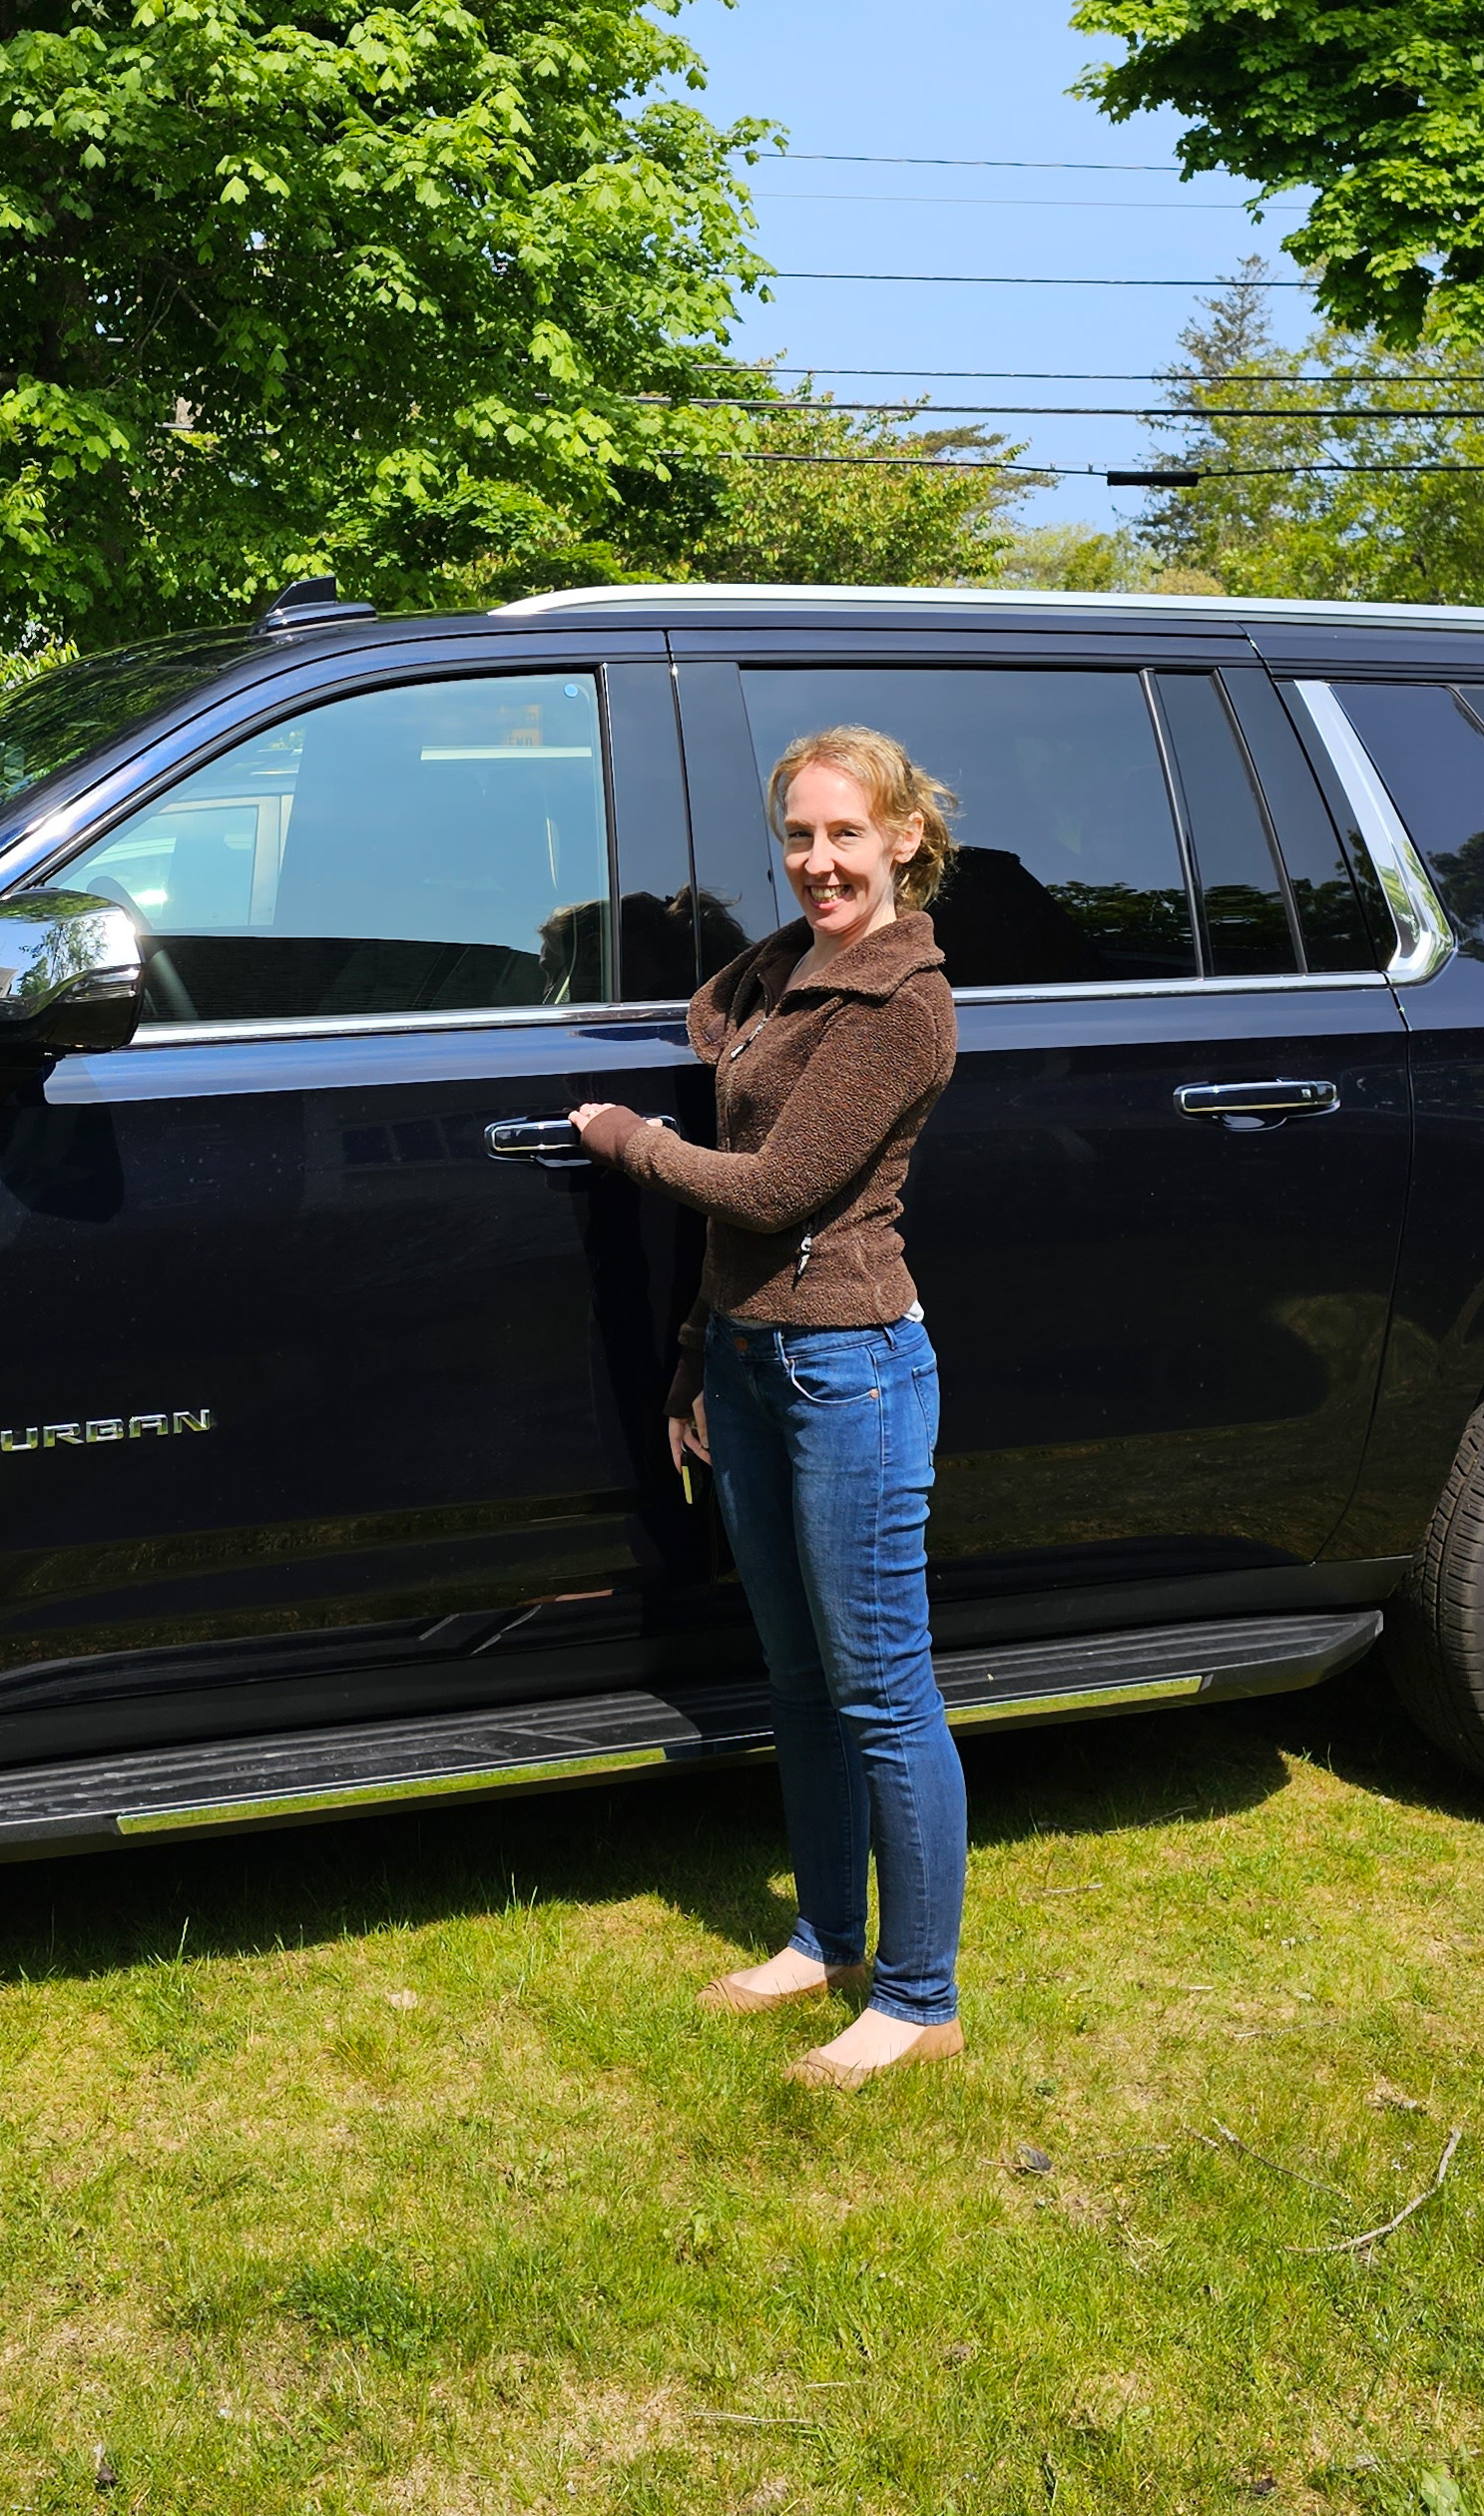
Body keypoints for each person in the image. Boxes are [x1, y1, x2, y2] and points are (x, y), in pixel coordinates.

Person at [568, 726, 965, 2091]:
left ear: (905, 836)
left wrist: (628, 1140)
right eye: (799, 835)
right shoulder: (790, 971)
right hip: (751, 1361)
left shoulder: (900, 1000)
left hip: (849, 1367)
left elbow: (776, 1190)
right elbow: (738, 1212)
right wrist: (697, 1359)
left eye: (847, 833)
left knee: (882, 1690)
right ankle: (826, 1940)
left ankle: (919, 1998)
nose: (819, 860)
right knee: (799, 1682)